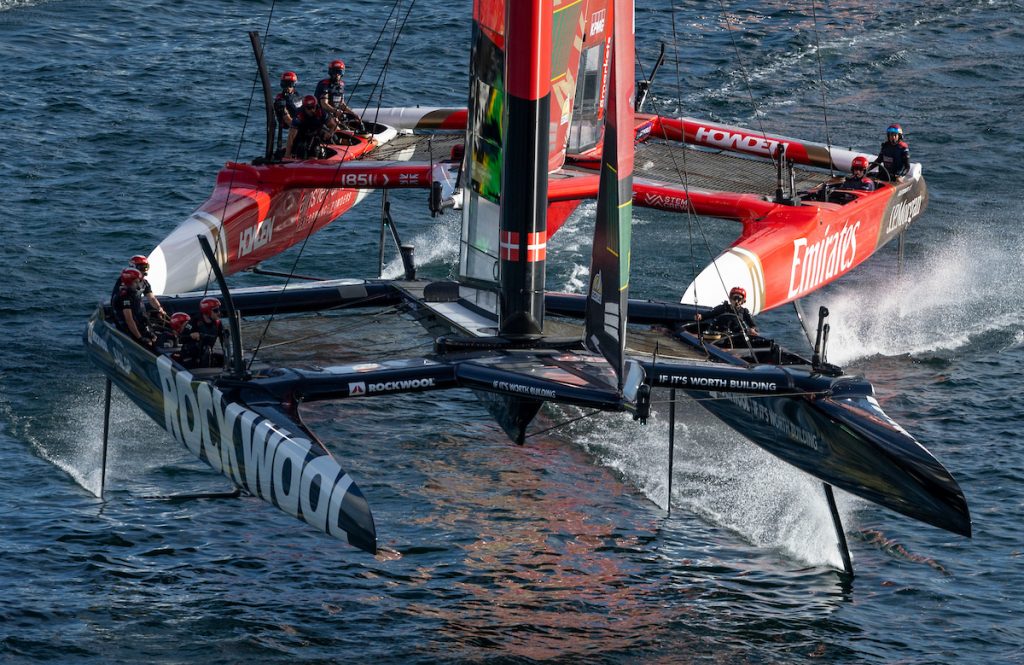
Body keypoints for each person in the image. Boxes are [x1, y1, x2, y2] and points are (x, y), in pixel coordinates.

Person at [111, 267, 156, 349]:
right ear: (129, 282)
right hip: (127, 326)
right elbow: (129, 320)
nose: (139, 284)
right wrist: (140, 338)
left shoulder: (134, 292)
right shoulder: (125, 297)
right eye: (136, 282)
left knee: (154, 337)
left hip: (139, 320)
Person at [179, 297, 227, 369]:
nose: (219, 313)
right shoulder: (194, 321)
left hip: (207, 353)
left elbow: (224, 342)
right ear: (207, 311)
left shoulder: (218, 323)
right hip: (191, 356)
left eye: (219, 310)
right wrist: (191, 336)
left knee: (224, 360)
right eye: (216, 310)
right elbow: (181, 339)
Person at [314, 59, 360, 127]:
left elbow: (342, 104)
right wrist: (336, 112)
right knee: (339, 127)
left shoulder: (341, 85)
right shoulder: (325, 84)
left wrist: (353, 114)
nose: (337, 74)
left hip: (334, 114)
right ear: (330, 72)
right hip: (322, 115)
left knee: (357, 123)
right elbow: (324, 104)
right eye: (335, 72)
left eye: (339, 72)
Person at [127, 255, 168, 323]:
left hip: (139, 312)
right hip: (129, 314)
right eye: (142, 267)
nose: (145, 270)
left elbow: (152, 298)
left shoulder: (144, 283)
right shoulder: (125, 283)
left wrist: (159, 308)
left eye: (146, 267)